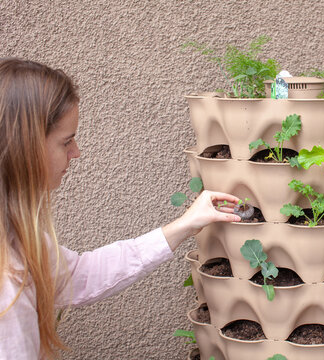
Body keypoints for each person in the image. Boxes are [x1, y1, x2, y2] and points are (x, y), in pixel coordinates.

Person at [0, 58, 241, 359]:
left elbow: (77, 276)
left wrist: (184, 225)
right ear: (26, 146)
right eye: (66, 142)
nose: (77, 152)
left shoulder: (14, 238)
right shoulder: (7, 288)